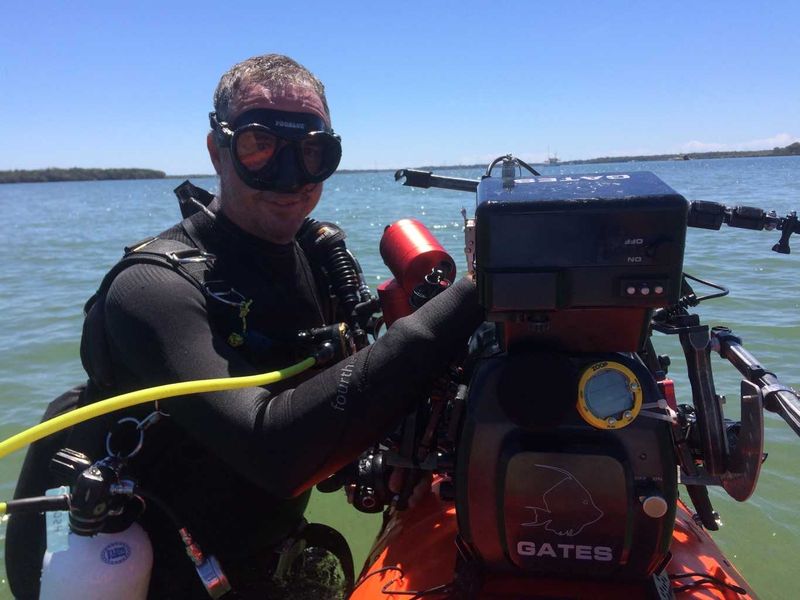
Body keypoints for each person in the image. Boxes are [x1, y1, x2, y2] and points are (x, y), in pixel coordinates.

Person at [6, 54, 482, 599]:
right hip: (163, 579)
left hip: (268, 560)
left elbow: (333, 393)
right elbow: (273, 448)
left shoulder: (312, 257)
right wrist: (477, 288)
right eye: (261, 148)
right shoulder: (149, 291)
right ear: (218, 149)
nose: (291, 179)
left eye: (312, 153)